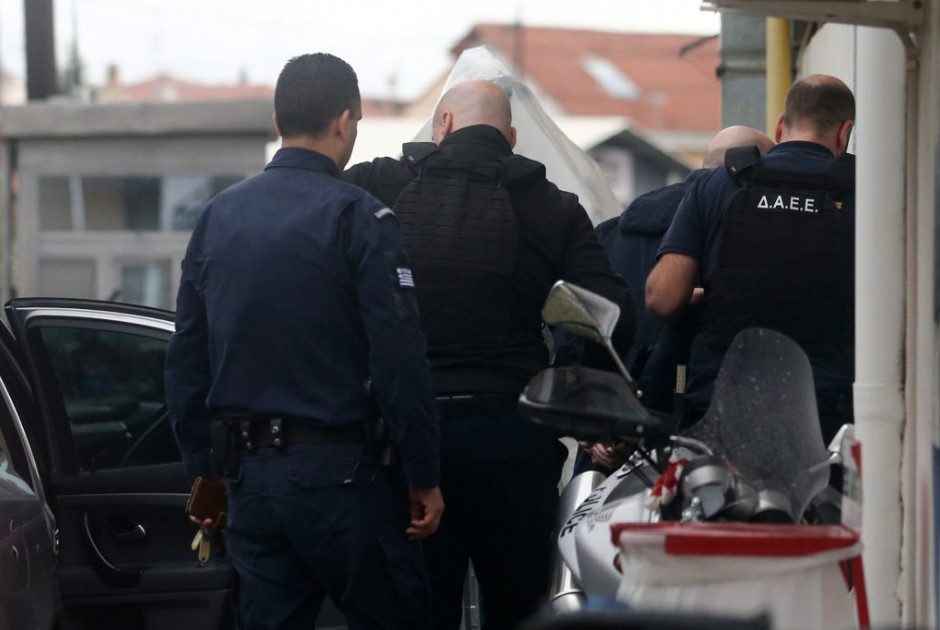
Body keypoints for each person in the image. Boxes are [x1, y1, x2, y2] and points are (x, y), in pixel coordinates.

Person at [164, 53, 443, 630]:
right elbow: (399, 360)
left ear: (277, 120)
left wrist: (207, 475)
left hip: (250, 485)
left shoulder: (217, 217)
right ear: (344, 121)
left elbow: (186, 360)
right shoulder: (360, 217)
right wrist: (423, 474)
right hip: (343, 480)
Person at [344, 79, 634, 630]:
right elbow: (612, 315)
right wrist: (566, 395)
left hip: (407, 441)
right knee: (518, 607)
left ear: (444, 125)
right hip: (514, 441)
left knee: (419, 608)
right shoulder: (553, 207)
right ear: (512, 139)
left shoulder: (375, 186)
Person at [646, 74, 856, 443]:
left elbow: (663, 299)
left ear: (780, 126)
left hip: (720, 403)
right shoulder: (864, 192)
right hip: (820, 413)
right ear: (845, 133)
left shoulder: (716, 184)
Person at [582, 127, 774, 472]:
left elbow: (579, 334)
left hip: (605, 444)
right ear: (745, 168)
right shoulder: (739, 238)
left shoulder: (609, 234)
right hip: (694, 451)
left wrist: (592, 429)